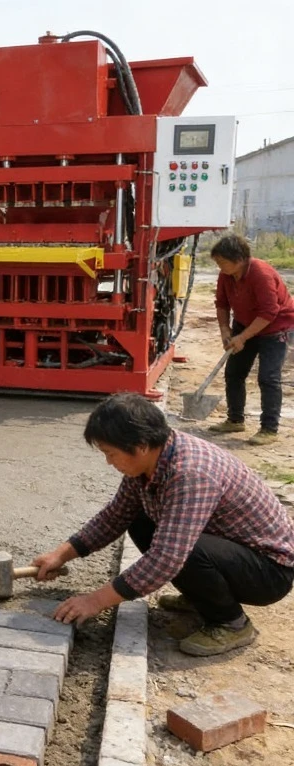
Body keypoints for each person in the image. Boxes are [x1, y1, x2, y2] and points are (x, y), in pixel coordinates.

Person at [31, 393, 294, 657]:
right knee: (139, 519)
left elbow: (167, 558)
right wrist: (61, 555)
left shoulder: (191, 473)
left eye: (110, 454)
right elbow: (114, 516)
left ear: (141, 445)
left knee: (184, 551)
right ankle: (202, 597)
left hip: (269, 571)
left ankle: (231, 622)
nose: (109, 462)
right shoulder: (150, 462)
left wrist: (95, 601)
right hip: (231, 549)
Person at [207, 233, 294, 445]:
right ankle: (235, 419)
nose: (219, 266)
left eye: (222, 261)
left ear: (239, 259)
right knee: (234, 373)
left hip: (274, 328)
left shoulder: (260, 273)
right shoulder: (226, 275)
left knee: (268, 377)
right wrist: (225, 330)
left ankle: (269, 429)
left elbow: (269, 312)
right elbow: (222, 304)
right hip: (244, 323)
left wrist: (243, 338)